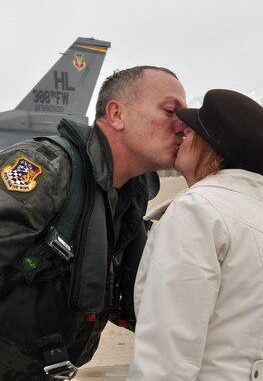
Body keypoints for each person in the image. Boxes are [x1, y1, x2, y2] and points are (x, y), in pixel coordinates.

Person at [0, 65, 186, 380]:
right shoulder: (46, 172)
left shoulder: (123, 197)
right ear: (116, 115)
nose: (182, 126)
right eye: (171, 111)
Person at [127, 89, 263, 381]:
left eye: (190, 132)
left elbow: (166, 357)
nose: (180, 133)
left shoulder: (197, 211)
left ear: (210, 146)